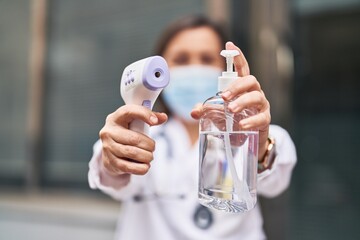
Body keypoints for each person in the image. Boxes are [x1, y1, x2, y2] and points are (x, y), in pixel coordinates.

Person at [88, 15, 297, 240]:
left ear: (223, 69)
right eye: (181, 59)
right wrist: (115, 157)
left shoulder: (254, 132)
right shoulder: (142, 132)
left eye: (207, 59)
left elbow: (276, 181)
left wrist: (256, 143)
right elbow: (113, 178)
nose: (194, 69)